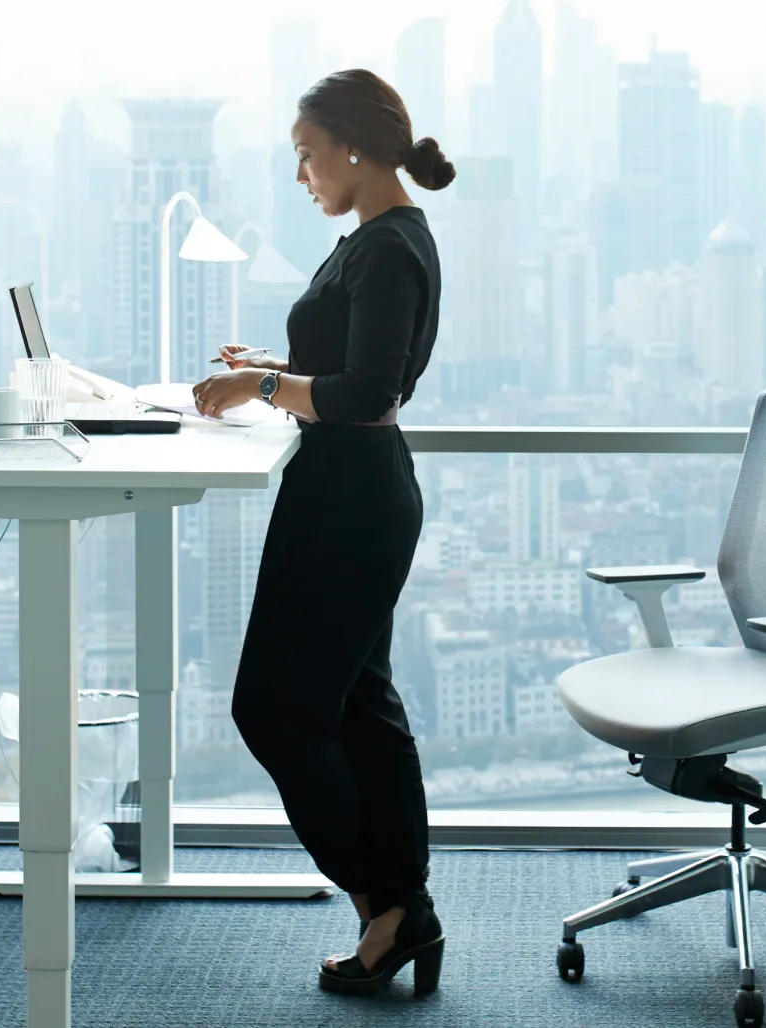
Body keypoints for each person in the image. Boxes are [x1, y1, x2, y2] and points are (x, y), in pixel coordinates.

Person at [190, 68, 455, 998]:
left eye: (305, 154)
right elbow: (344, 367)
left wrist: (264, 387)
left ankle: (387, 903)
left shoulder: (389, 248)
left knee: (273, 710)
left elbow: (366, 393)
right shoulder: (376, 240)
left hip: (351, 500)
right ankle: (401, 907)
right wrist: (268, 366)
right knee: (360, 706)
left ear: (349, 145)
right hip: (344, 490)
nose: (300, 174)